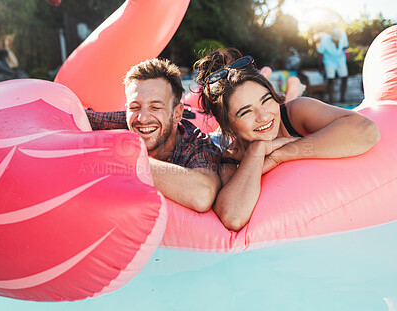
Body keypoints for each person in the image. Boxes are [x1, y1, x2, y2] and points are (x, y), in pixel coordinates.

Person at [193, 47, 380, 232]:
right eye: (246, 111)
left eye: (266, 100)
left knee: (286, 105)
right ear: (228, 125)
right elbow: (233, 218)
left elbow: (367, 130)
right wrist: (257, 152)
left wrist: (279, 156)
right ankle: (291, 89)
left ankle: (293, 90)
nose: (263, 116)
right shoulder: (232, 157)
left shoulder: (295, 113)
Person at [86, 58, 221, 212]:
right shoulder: (126, 120)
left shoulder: (196, 144)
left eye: (155, 107)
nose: (142, 118)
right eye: (135, 107)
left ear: (177, 113)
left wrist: (124, 156)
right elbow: (73, 115)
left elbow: (202, 195)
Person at [317, 27, 349, 103]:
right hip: (329, 60)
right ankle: (331, 99)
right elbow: (320, 54)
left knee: (344, 78)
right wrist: (320, 68)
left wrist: (347, 55)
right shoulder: (324, 41)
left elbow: (345, 47)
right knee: (330, 79)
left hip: (341, 59)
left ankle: (342, 98)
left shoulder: (343, 36)